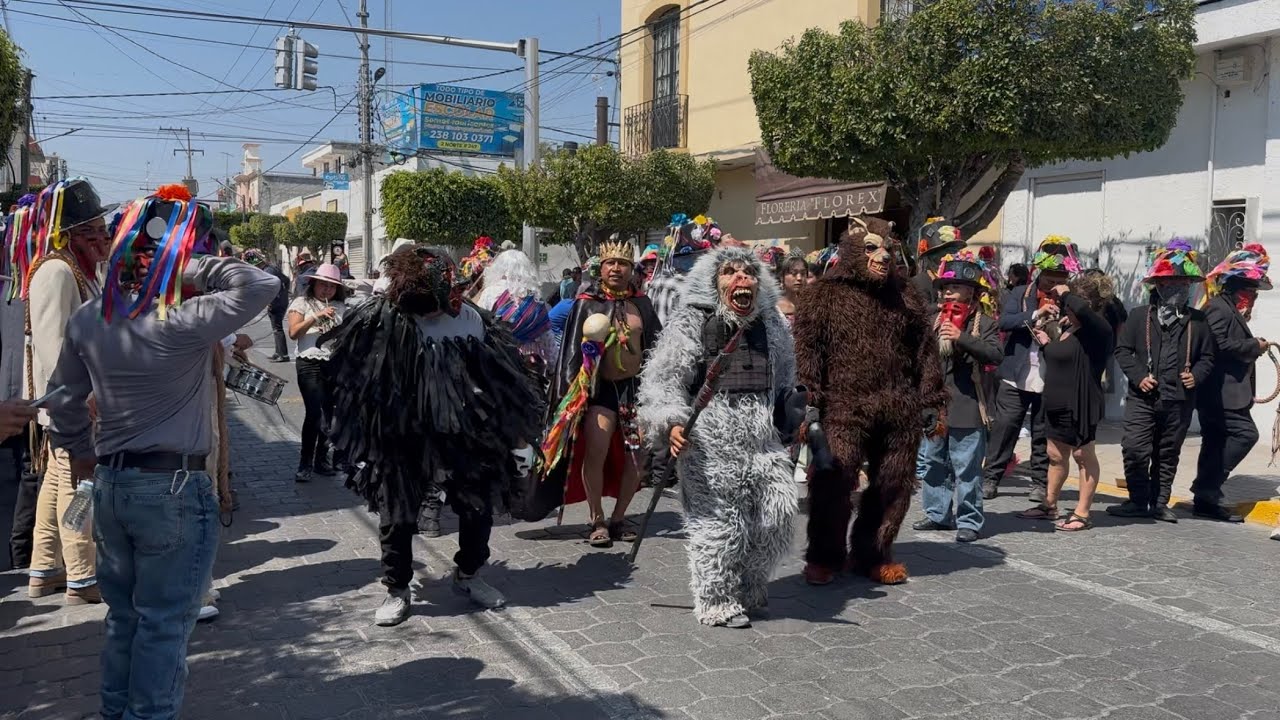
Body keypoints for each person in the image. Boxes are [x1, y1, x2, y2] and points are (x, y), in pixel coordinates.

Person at [46, 183, 278, 719]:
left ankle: (115, 712)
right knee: (164, 626)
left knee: (124, 619)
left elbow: (62, 402)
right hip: (173, 490)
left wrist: (82, 455)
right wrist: (192, 265)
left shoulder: (90, 319)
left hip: (110, 484)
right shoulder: (181, 322)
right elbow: (260, 282)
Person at [323, 245, 544, 626]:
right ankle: (397, 589)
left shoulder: (472, 319)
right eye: (422, 308)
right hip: (402, 433)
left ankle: (469, 574)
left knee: (477, 506)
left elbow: (497, 379)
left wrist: (509, 431)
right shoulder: (383, 319)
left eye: (435, 305)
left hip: (464, 432)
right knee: (398, 514)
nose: (431, 314)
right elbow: (354, 379)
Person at [637, 246, 798, 628]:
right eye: (730, 272)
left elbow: (786, 376)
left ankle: (750, 583)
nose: (742, 279)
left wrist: (794, 414)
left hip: (762, 432)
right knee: (720, 523)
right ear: (714, 282)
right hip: (709, 432)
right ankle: (716, 599)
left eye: (748, 272)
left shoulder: (773, 322)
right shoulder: (691, 320)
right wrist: (671, 423)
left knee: (779, 514)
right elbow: (663, 380)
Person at [794, 216, 947, 585]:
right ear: (850, 252)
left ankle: (873, 553)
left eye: (887, 250)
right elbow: (808, 354)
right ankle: (825, 555)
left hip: (899, 405)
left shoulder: (906, 294)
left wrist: (932, 401)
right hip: (843, 407)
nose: (881, 257)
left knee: (894, 481)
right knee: (834, 477)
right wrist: (809, 405)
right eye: (871, 249)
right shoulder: (821, 295)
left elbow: (925, 352)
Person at [24, 178, 115, 605]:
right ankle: (80, 574)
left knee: (57, 482)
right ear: (65, 235)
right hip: (72, 406)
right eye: (88, 232)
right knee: (79, 488)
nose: (99, 238)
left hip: (81, 402)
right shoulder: (57, 271)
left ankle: (43, 570)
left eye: (101, 229)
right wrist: (79, 402)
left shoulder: (84, 271)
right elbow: (53, 348)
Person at [545, 238, 661, 547]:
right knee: (595, 452)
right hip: (599, 392)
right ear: (601, 268)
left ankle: (619, 518)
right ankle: (596, 519)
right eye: (611, 263)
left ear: (630, 269)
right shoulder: (586, 303)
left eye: (622, 264)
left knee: (637, 461)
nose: (616, 269)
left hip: (635, 394)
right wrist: (570, 394)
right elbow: (570, 352)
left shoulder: (643, 305)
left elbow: (658, 349)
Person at [1109, 242, 1215, 523]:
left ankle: (1159, 502)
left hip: (1178, 400)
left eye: (1182, 282)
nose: (1176, 288)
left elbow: (1208, 358)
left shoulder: (1199, 321)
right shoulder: (1138, 316)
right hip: (1142, 399)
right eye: (1168, 282)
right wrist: (1139, 376)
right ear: (1157, 285)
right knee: (1134, 448)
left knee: (1167, 454)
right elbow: (1122, 351)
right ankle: (1136, 500)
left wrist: (1197, 375)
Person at [911, 251, 1002, 543]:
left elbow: (995, 355)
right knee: (933, 463)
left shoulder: (984, 323)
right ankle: (937, 514)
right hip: (935, 404)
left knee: (967, 467)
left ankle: (969, 520)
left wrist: (961, 337)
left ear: (973, 292)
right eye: (945, 287)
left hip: (967, 405)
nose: (948, 290)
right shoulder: (931, 318)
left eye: (956, 286)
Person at [1016, 268, 1115, 532]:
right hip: (1056, 401)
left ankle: (1082, 512)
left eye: (1067, 304)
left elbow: (1081, 310)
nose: (1064, 309)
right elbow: (1061, 359)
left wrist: (1067, 293)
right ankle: (1049, 504)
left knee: (1083, 455)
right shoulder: (1068, 328)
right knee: (1055, 455)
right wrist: (1047, 342)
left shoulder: (1099, 330)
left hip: (1081, 403)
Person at [980, 236, 1073, 501]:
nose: (1053, 286)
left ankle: (1039, 483)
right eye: (1049, 280)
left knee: (1043, 432)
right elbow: (1005, 322)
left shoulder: (1070, 300)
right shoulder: (1021, 294)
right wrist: (1035, 315)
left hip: (1050, 376)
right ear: (1039, 275)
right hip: (1016, 374)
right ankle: (991, 478)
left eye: (1059, 281)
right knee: (1006, 427)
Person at [1193, 243, 1273, 522]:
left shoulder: (1228, 310)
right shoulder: (1218, 308)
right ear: (1235, 286)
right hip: (1219, 392)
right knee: (1245, 434)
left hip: (1227, 392)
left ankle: (1205, 499)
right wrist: (1254, 345)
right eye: (1249, 289)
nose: (1252, 296)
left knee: (1214, 442)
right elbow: (1218, 345)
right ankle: (1208, 485)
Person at [287, 263, 347, 482]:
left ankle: (322, 460)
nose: (327, 291)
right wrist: (316, 316)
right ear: (313, 284)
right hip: (309, 362)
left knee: (329, 415)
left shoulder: (341, 307)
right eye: (323, 285)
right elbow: (294, 333)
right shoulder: (301, 303)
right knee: (315, 414)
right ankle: (305, 463)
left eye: (331, 287)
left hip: (333, 364)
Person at [242, 248, 292, 362]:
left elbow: (270, 289)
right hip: (281, 301)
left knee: (277, 328)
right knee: (276, 328)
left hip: (277, 303)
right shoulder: (271, 269)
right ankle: (278, 352)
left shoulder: (267, 272)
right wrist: (284, 293)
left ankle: (283, 355)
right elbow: (287, 280)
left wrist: (273, 300)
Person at [909, 218, 966, 306]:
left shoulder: (964, 280)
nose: (949, 258)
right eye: (943, 254)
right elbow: (921, 314)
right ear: (930, 259)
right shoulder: (919, 283)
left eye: (954, 252)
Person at [774, 251, 809, 328]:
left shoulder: (810, 304)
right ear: (782, 277)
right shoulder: (774, 307)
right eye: (794, 273)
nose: (799, 278)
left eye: (803, 274)